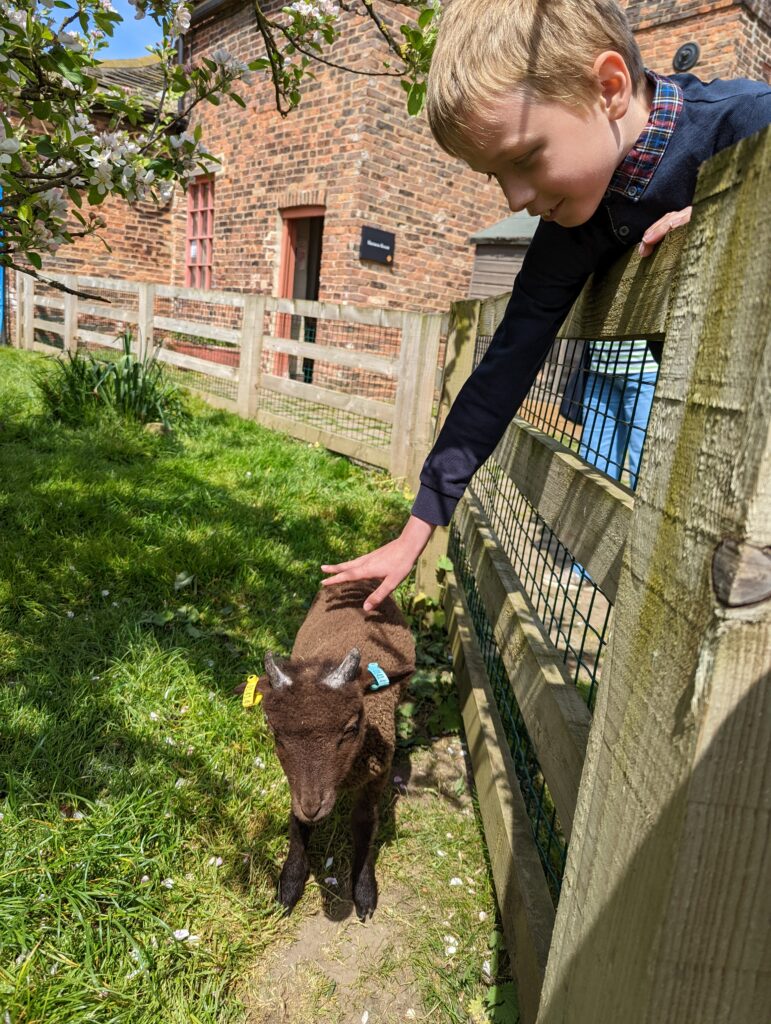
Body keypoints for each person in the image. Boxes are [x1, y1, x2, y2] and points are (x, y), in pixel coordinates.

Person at [321, 0, 771, 610]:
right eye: (495, 176)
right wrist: (416, 529)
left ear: (609, 88)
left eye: (525, 158)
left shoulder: (747, 124)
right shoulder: (569, 231)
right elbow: (502, 368)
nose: (518, 197)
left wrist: (736, 203)